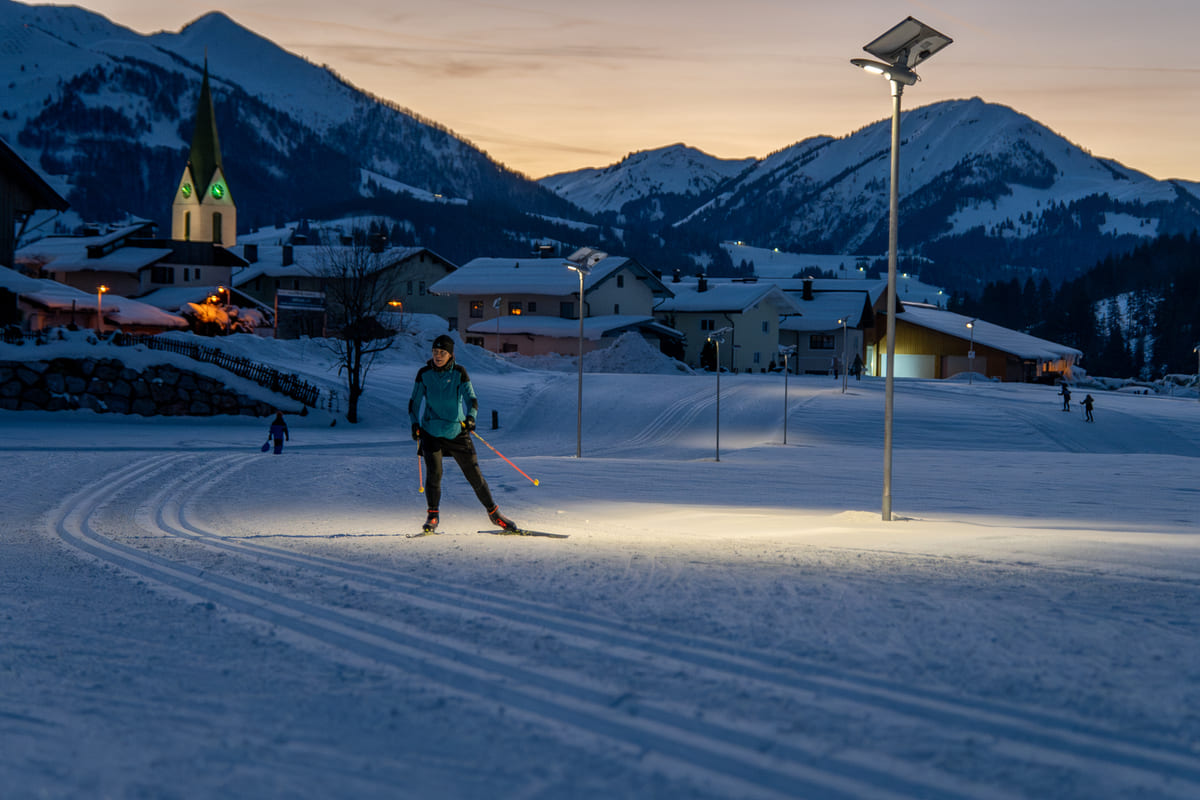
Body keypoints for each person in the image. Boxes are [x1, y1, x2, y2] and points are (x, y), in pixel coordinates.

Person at [409, 334, 517, 533]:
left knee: (474, 475)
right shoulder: (424, 373)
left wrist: (471, 418)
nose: (438, 356)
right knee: (434, 475)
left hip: (457, 431)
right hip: (431, 432)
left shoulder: (459, 372)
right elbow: (413, 403)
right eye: (435, 352)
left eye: (442, 352)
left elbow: (472, 400)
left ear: (451, 355)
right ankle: (433, 516)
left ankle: (494, 514)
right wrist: (414, 424)